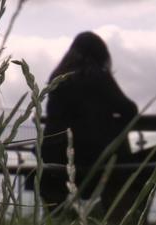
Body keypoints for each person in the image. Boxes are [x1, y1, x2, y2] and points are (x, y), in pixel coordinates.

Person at [40, 31, 140, 219]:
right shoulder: (98, 76)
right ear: (101, 55)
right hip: (95, 161)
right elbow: (129, 110)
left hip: (54, 159)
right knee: (128, 166)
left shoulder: (57, 79)